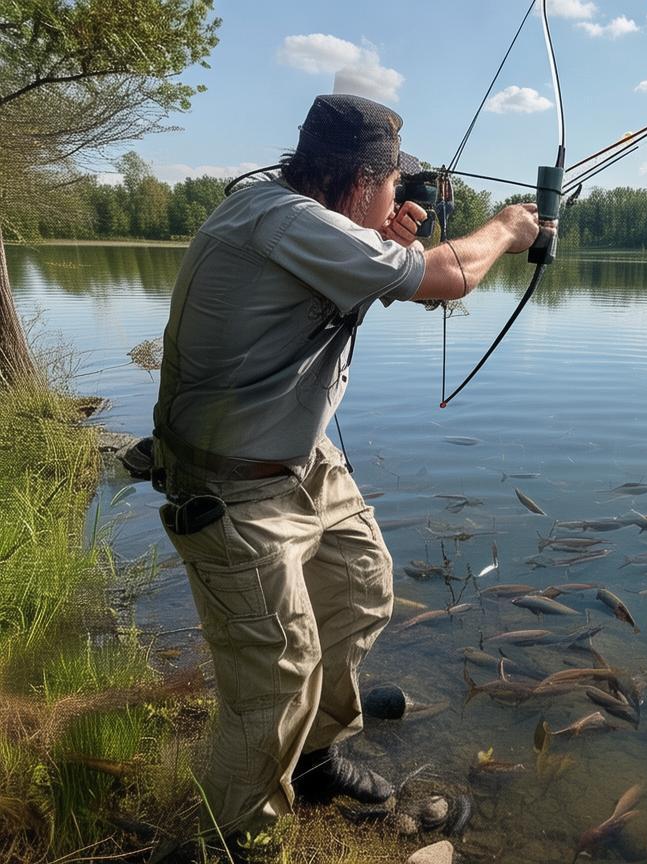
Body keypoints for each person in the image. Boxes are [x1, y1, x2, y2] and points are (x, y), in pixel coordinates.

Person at [149, 93, 544, 853]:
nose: (402, 199)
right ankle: (237, 838)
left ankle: (313, 758)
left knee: (362, 589)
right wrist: (509, 228)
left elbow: (384, 274)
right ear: (362, 182)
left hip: (302, 459)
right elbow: (448, 278)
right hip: (230, 482)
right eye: (395, 186)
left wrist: (387, 249)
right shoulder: (284, 222)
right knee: (275, 674)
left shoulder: (304, 217)